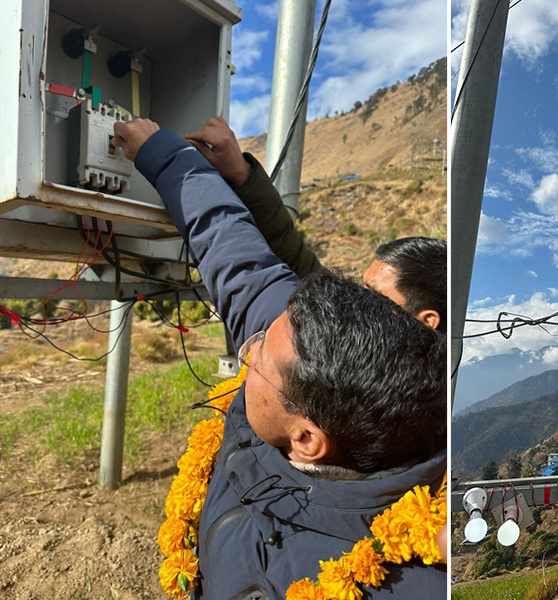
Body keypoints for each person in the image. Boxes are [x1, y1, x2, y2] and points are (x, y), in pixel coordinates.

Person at [113, 119, 446, 600]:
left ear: (307, 438)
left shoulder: (405, 570)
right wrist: (172, 157)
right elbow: (237, 252)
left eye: (260, 358)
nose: (246, 347)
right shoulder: (307, 341)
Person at [184, 118, 446, 333]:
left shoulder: (381, 384)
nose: (358, 299)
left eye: (375, 295)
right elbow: (294, 255)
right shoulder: (355, 331)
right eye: (363, 287)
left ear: (426, 323)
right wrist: (241, 173)